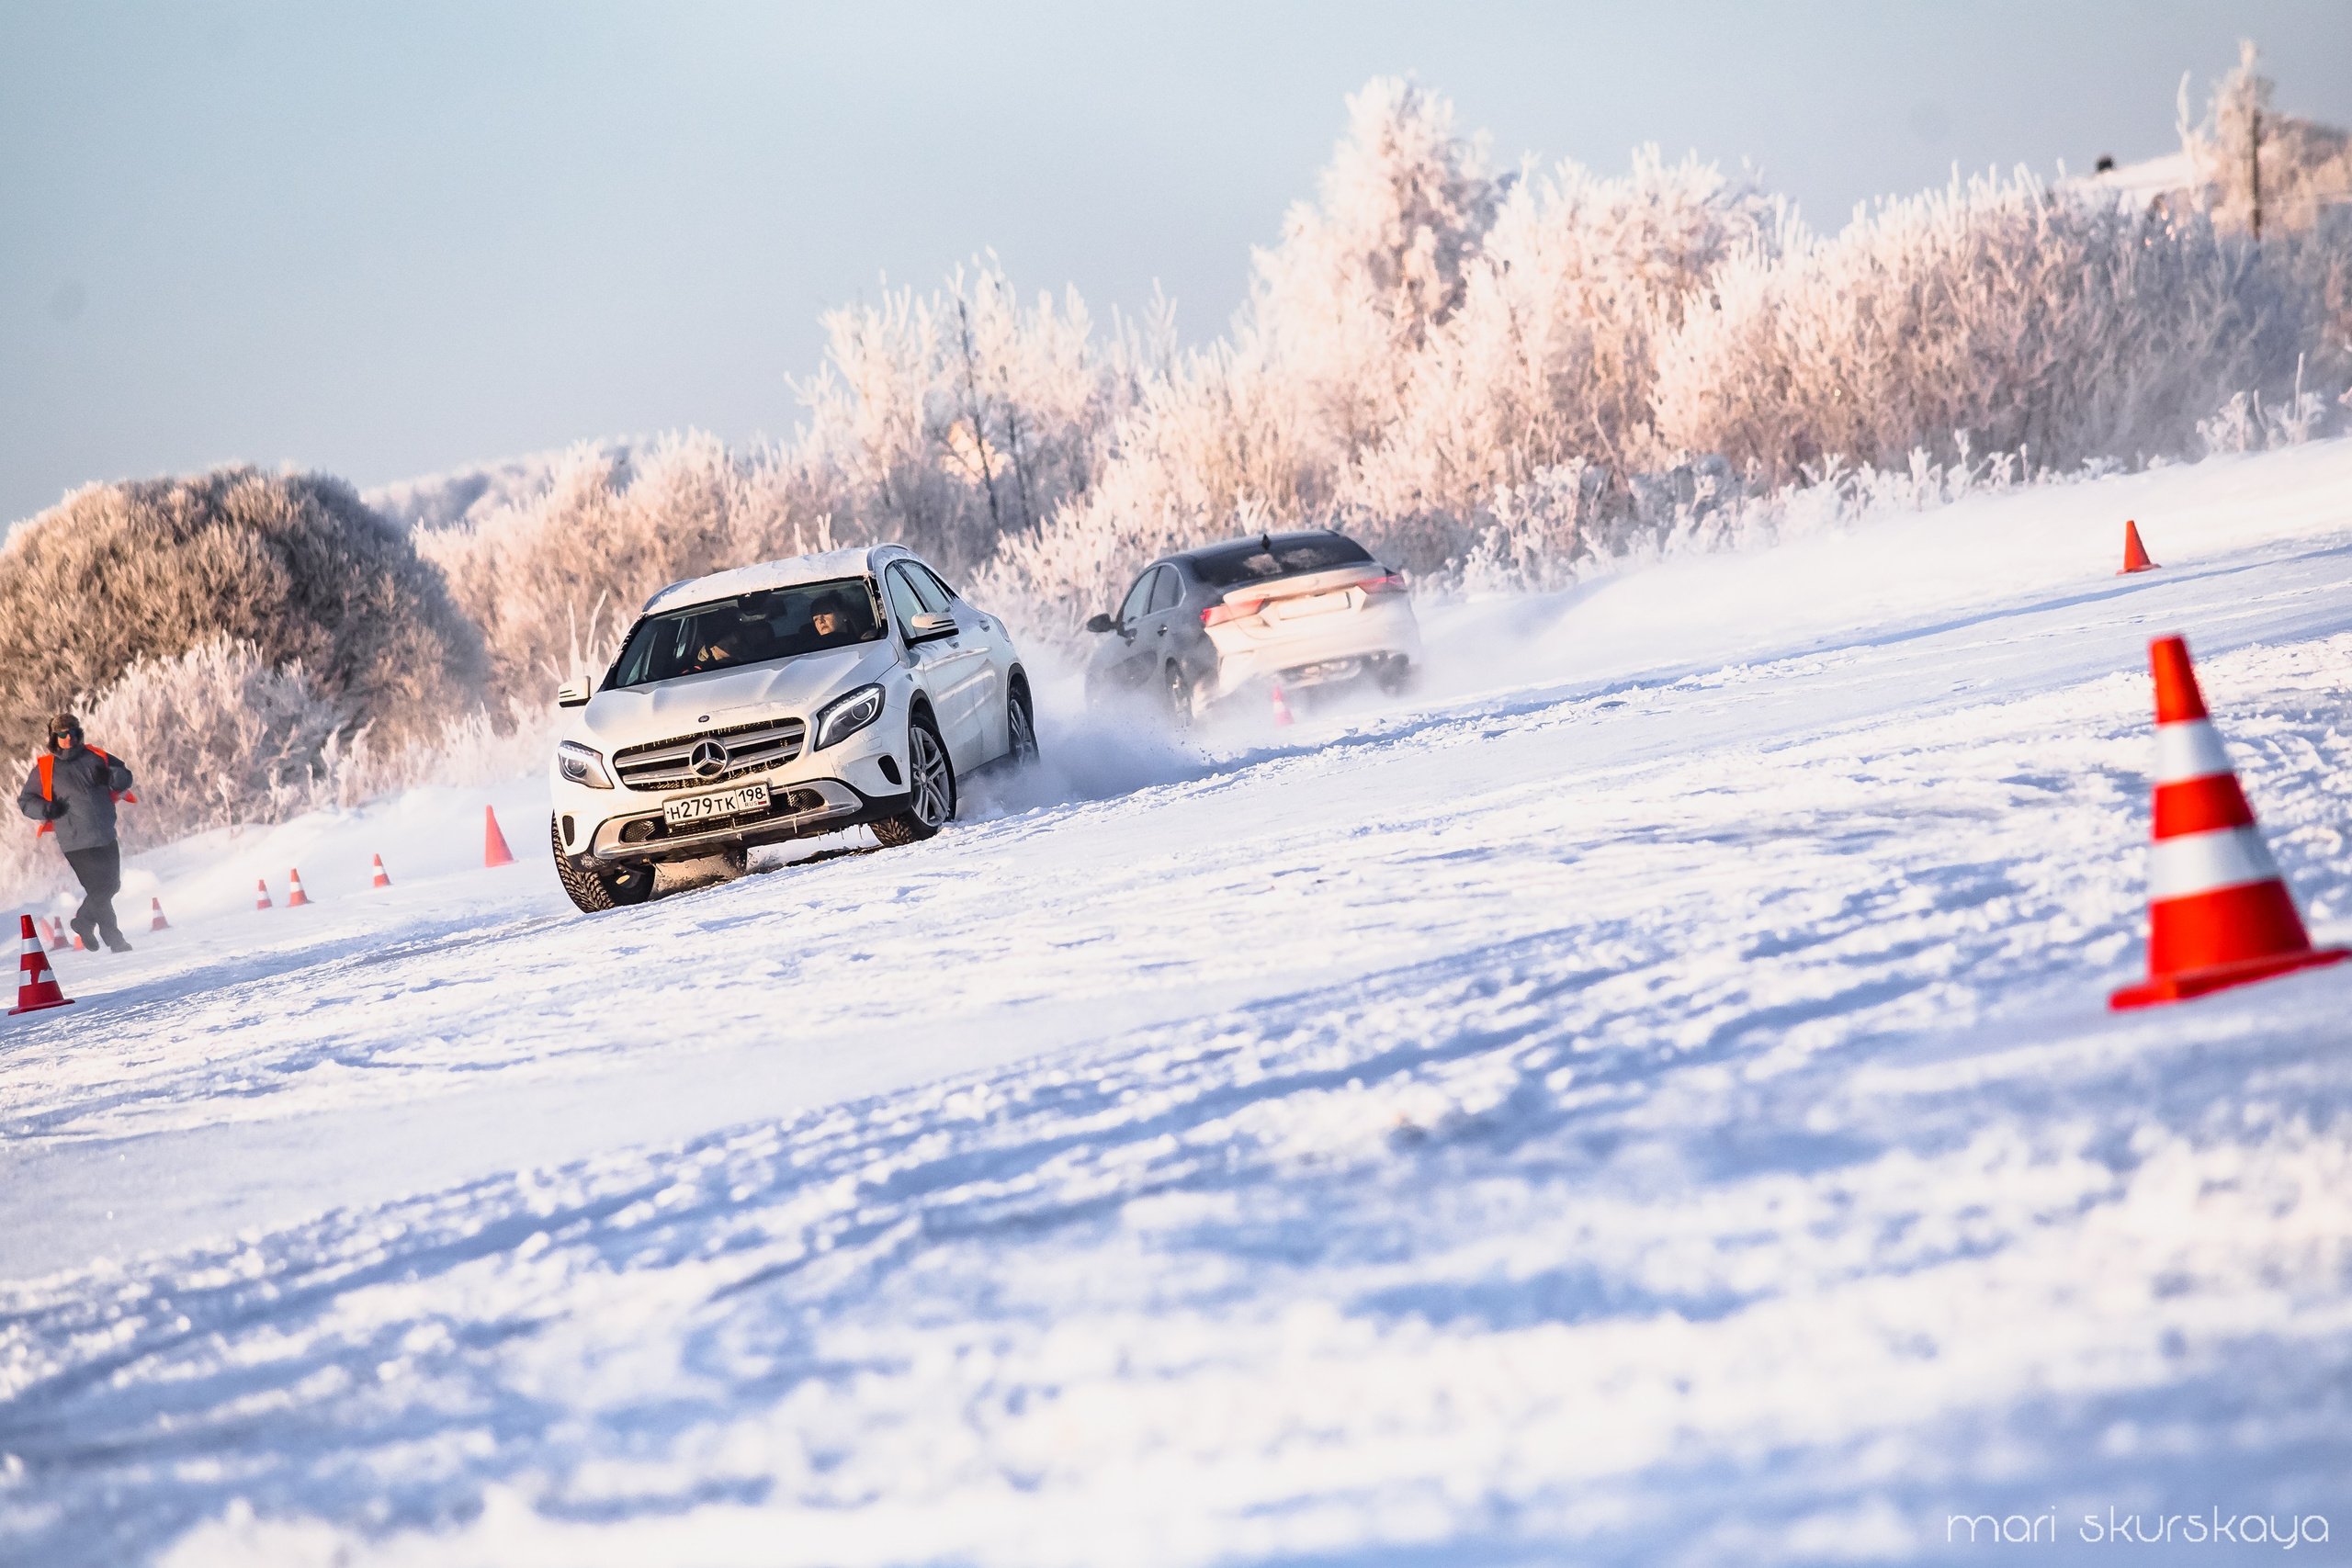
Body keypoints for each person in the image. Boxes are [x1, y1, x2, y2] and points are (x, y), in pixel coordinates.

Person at [17, 713, 137, 952]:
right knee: (100, 889)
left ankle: (83, 922)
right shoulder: (45, 768)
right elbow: (26, 801)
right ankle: (114, 939)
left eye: (72, 732)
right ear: (54, 737)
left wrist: (112, 776)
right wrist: (47, 808)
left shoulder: (97, 756)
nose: (68, 738)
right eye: (62, 734)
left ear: (78, 734)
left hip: (105, 834)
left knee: (110, 886)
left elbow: (125, 777)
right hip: (75, 841)